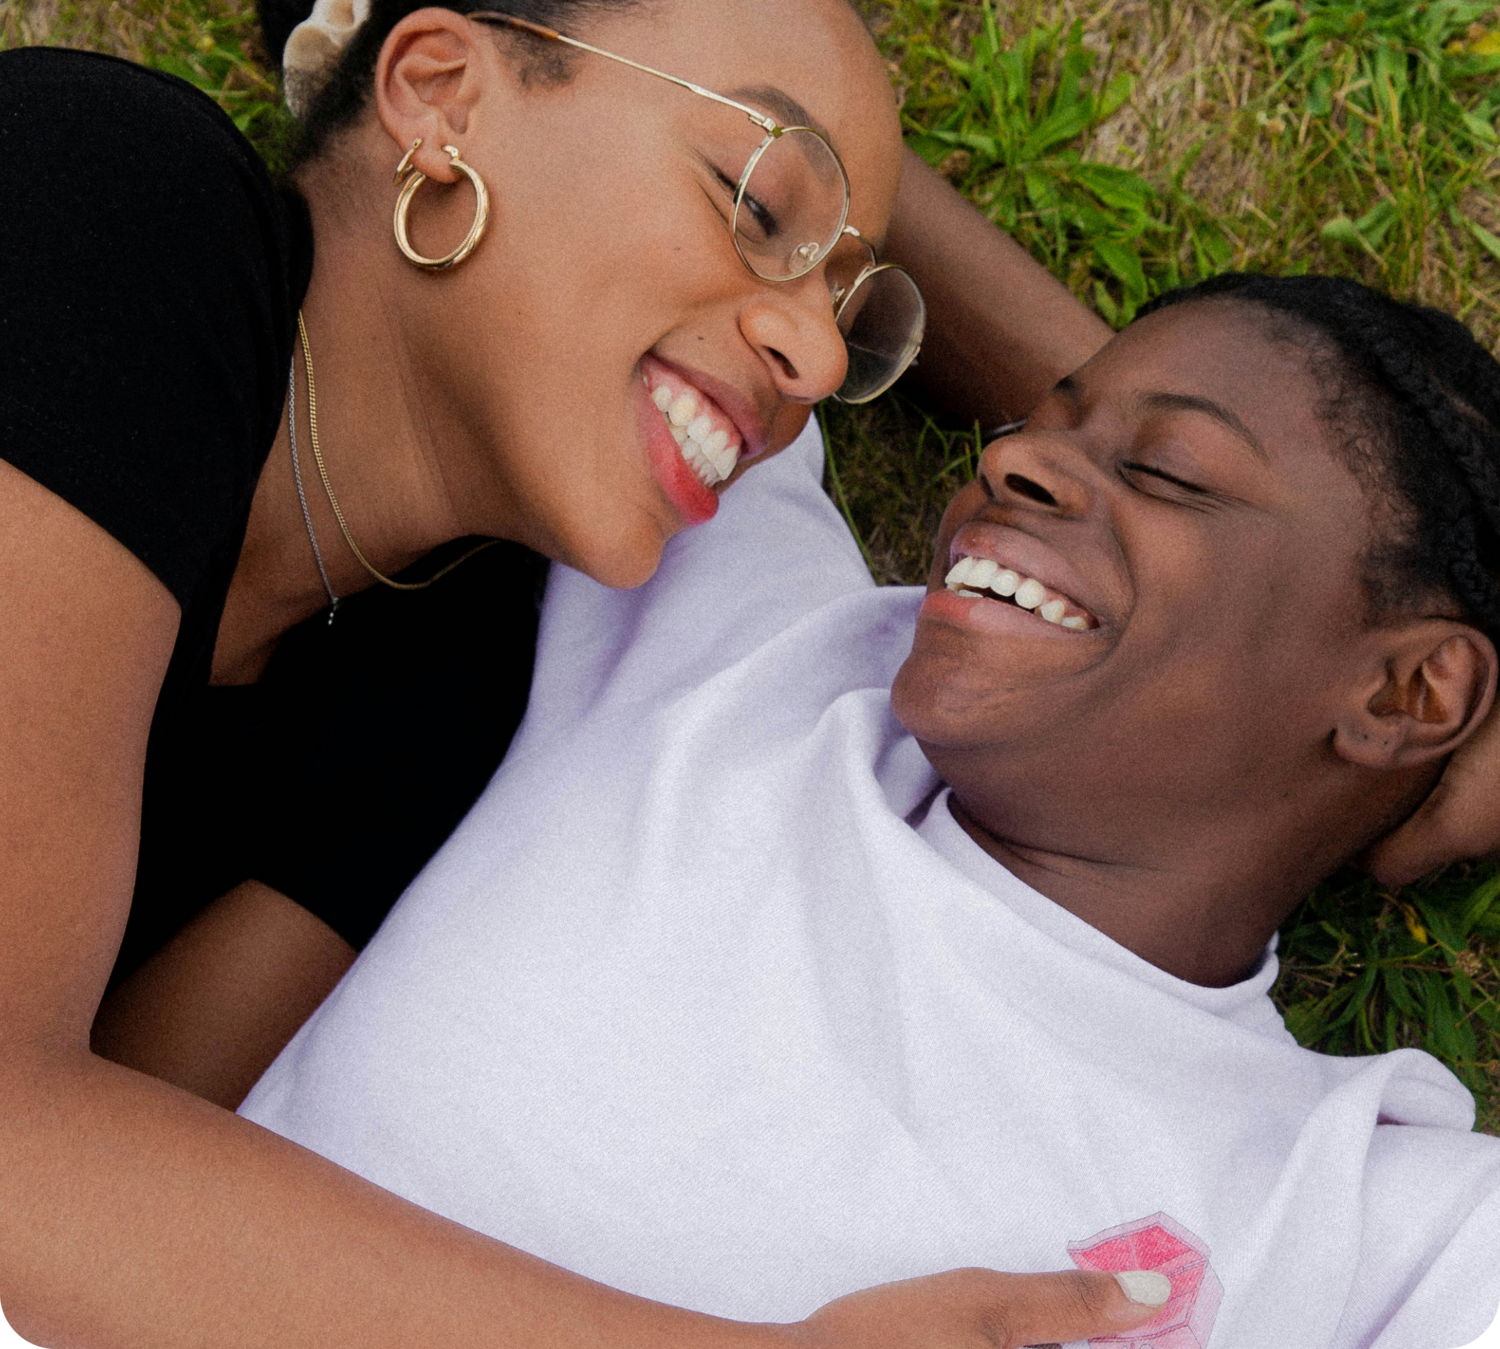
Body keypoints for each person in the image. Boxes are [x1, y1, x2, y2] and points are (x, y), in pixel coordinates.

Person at [0, 0, 1155, 1349]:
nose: (807, 357)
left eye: (850, 313)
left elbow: (118, 1200)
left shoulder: (454, 688)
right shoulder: (106, 215)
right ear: (440, 94)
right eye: (758, 204)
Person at [241, 273, 1500, 1349]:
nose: (1006, 457)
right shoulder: (747, 639)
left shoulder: (1343, 1208)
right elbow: (681, 160)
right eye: (1030, 421)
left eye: (1171, 471)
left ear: (1409, 689)